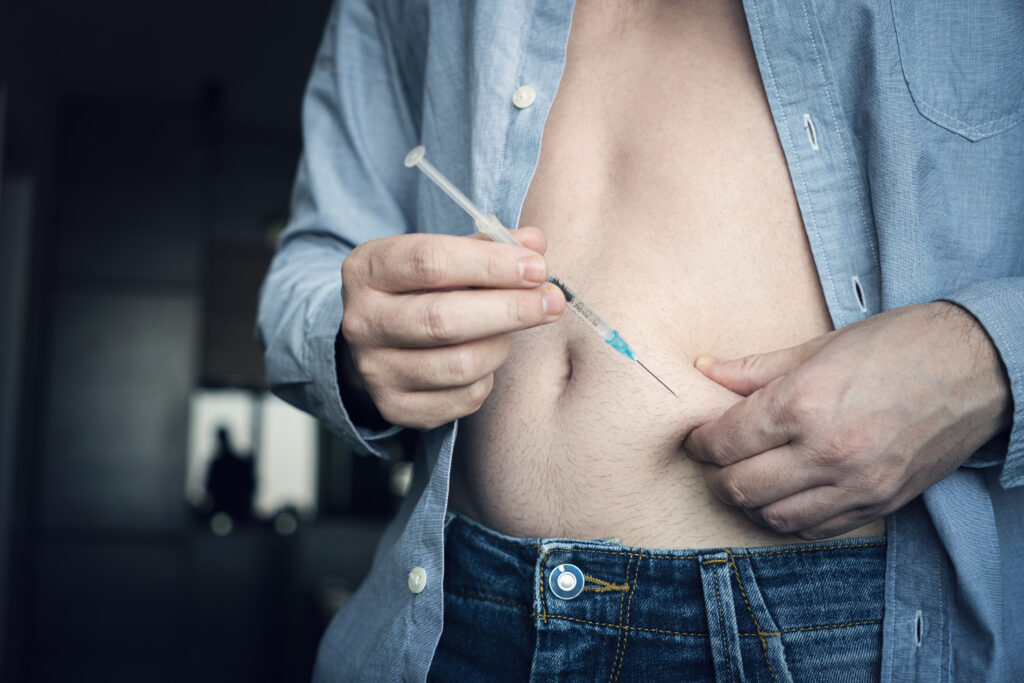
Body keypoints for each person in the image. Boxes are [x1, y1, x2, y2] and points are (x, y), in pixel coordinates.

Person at [258, 1, 1023, 680]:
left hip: (826, 624)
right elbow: (314, 266)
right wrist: (358, 348)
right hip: (452, 609)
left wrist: (985, 362)